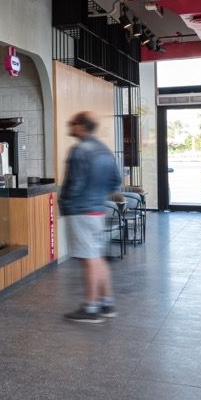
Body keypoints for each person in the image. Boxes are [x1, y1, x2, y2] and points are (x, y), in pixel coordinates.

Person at [59, 111, 122, 323]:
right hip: (97, 210)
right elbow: (115, 182)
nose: (70, 126)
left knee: (89, 259)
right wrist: (97, 196)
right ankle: (106, 302)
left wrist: (65, 203)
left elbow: (73, 185)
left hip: (81, 211)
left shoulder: (79, 151)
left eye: (73, 123)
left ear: (81, 127)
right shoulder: (104, 150)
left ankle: (91, 307)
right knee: (97, 256)